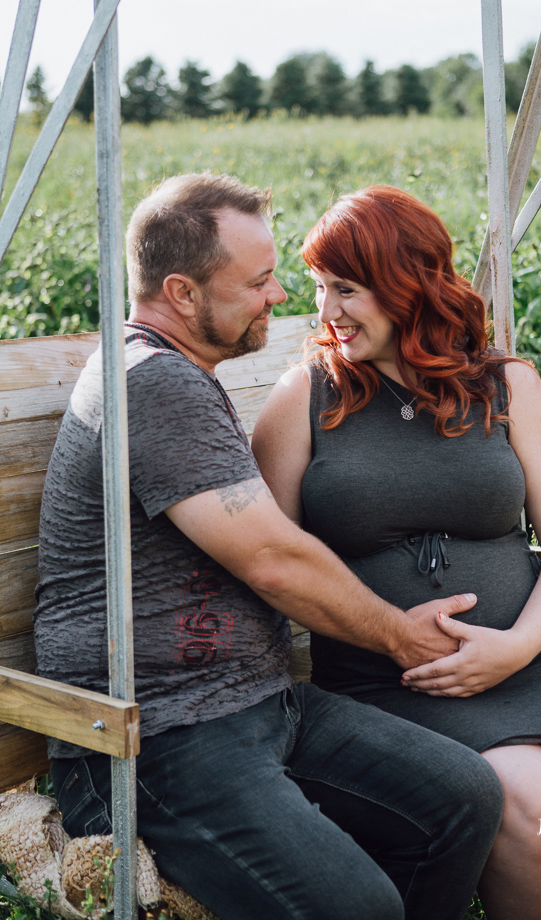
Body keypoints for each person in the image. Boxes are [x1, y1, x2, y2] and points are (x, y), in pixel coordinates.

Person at [35, 173, 504, 920]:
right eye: (258, 281)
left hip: (259, 704)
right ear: (183, 293)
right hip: (154, 737)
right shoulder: (153, 384)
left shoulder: (174, 372)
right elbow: (273, 559)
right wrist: (401, 638)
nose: (281, 296)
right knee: (357, 907)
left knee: (463, 796)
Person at [252, 184, 541, 920]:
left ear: (408, 284)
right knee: (532, 797)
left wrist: (516, 646)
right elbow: (271, 568)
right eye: (317, 287)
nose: (325, 311)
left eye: (346, 288)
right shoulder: (302, 400)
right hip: (393, 680)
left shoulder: (505, 386)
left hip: (535, 657)